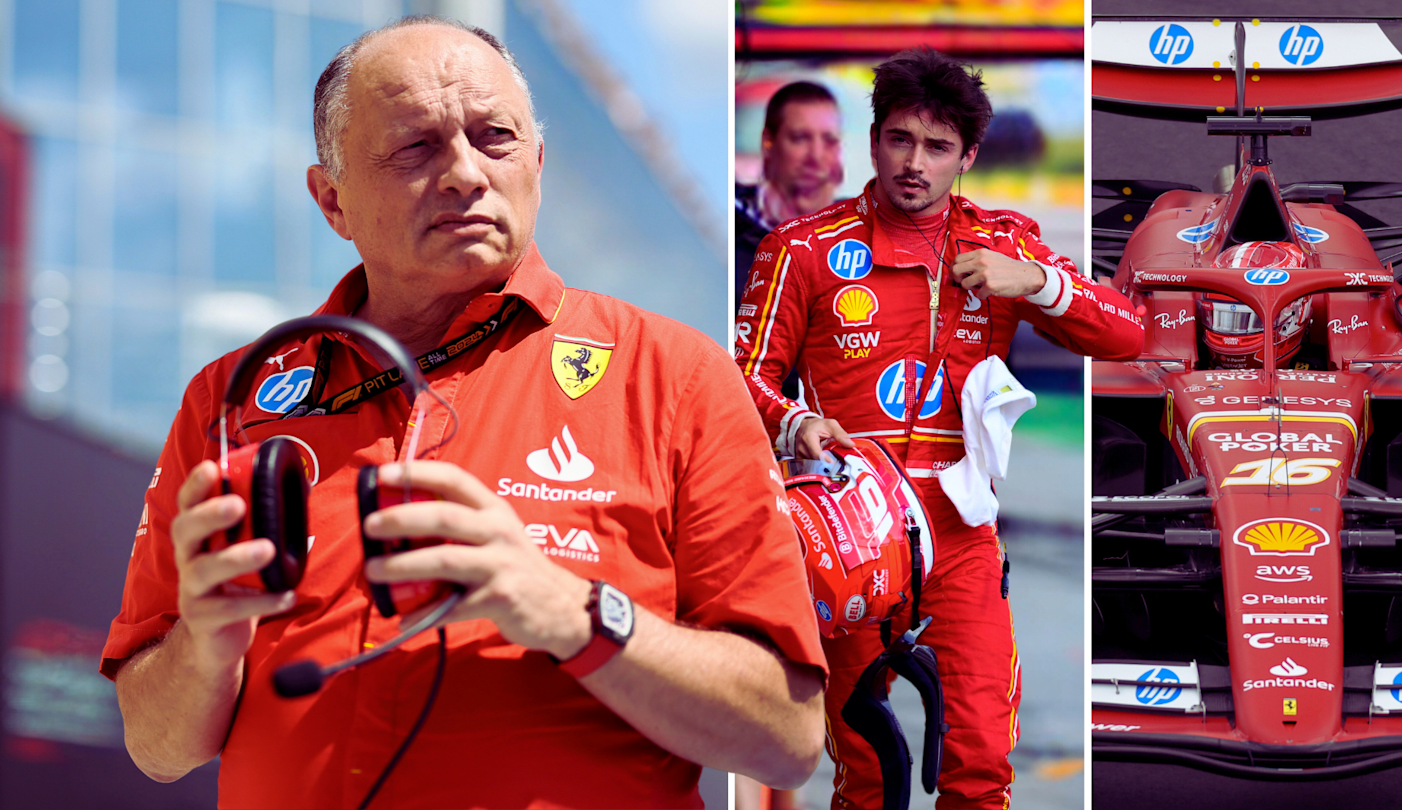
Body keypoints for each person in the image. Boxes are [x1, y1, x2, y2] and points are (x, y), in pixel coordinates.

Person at [102, 17, 826, 809]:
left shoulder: (676, 377)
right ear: (332, 200)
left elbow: (785, 738)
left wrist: (567, 610)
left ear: (539, 166)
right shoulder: (229, 400)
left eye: (495, 137)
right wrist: (207, 647)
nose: (464, 175)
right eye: (416, 147)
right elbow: (155, 747)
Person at [734, 47, 1144, 809]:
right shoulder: (802, 249)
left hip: (961, 536)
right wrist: (796, 424)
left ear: (969, 156)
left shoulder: (1005, 243)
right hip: (848, 541)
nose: (913, 164)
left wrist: (1041, 283)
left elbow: (1130, 336)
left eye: (936, 147)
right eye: (898, 139)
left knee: (982, 763)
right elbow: (740, 382)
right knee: (865, 775)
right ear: (873, 139)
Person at [735, 80, 844, 310]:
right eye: (800, 138)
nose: (816, 156)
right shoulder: (733, 229)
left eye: (829, 141)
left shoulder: (863, 235)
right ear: (768, 143)